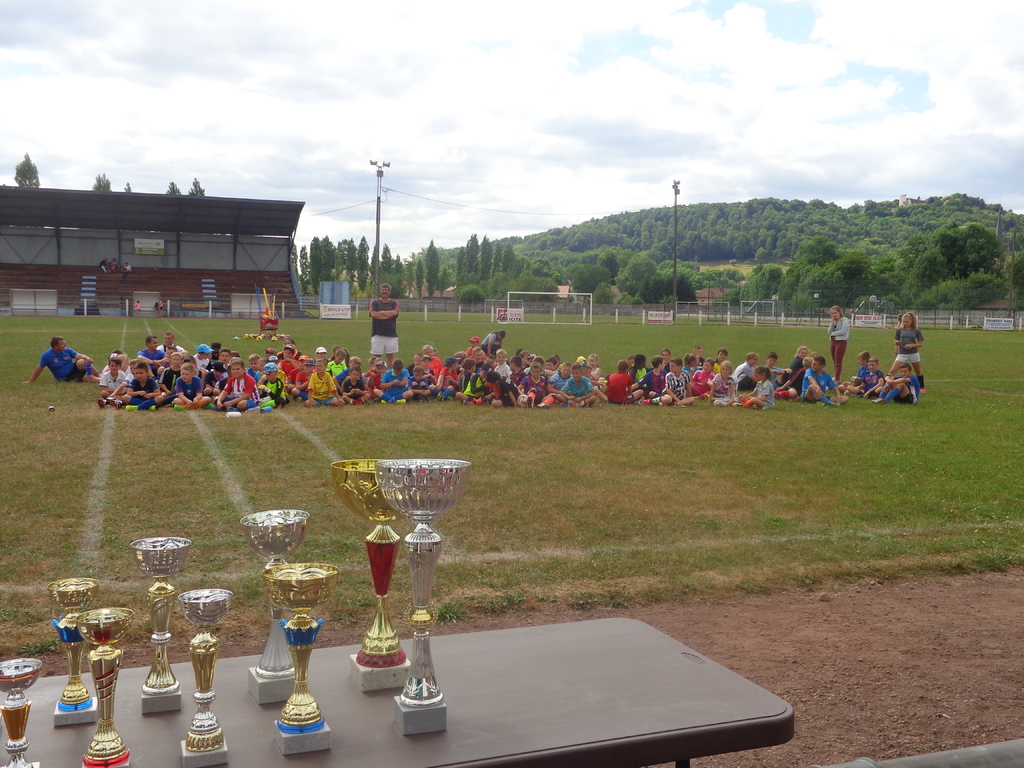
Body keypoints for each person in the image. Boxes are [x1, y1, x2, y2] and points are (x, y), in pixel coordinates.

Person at [27, 336, 99, 384]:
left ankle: (100, 376)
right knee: (88, 377)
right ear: (56, 346)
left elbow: (78, 355)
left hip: (73, 368)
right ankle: (103, 381)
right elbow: (39, 368)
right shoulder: (47, 355)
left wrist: (86, 358)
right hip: (66, 376)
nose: (65, 345)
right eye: (62, 344)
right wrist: (30, 381)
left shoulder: (66, 350)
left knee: (82, 361)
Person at [890, 311, 925, 392]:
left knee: (918, 371)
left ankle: (922, 387)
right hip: (902, 353)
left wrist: (912, 345)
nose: (905, 323)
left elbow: (920, 344)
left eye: (907, 322)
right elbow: (896, 340)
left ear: (911, 321)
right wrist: (897, 343)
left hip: (913, 353)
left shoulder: (917, 331)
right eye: (904, 322)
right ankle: (888, 384)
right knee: (893, 370)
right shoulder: (899, 330)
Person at [369, 283, 400, 365]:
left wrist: (381, 312)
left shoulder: (394, 303)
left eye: (386, 290)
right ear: (380, 291)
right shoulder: (374, 302)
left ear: (389, 292)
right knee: (377, 358)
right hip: (377, 334)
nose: (384, 291)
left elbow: (394, 313)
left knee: (390, 357)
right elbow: (373, 314)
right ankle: (377, 372)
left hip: (391, 335)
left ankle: (390, 372)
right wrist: (388, 315)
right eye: (383, 290)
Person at [827, 306, 851, 383]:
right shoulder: (834, 322)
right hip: (833, 341)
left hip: (841, 341)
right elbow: (828, 332)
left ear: (839, 312)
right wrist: (832, 323)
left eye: (835, 313)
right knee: (834, 361)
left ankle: (837, 379)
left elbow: (843, 331)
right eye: (832, 313)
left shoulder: (845, 320)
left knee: (838, 362)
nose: (834, 315)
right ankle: (836, 377)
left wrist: (833, 333)